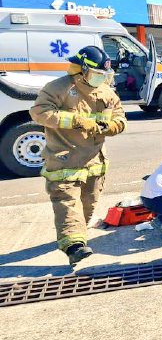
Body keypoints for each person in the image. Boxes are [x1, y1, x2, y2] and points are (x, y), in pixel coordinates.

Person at [30, 45, 126, 265]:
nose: (101, 79)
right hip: (64, 159)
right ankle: (74, 247)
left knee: (87, 207)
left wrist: (107, 127)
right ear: (82, 69)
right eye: (97, 74)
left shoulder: (106, 92)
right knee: (67, 203)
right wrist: (75, 120)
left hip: (94, 162)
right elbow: (39, 113)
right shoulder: (58, 88)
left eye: (104, 75)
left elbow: (120, 120)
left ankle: (76, 235)